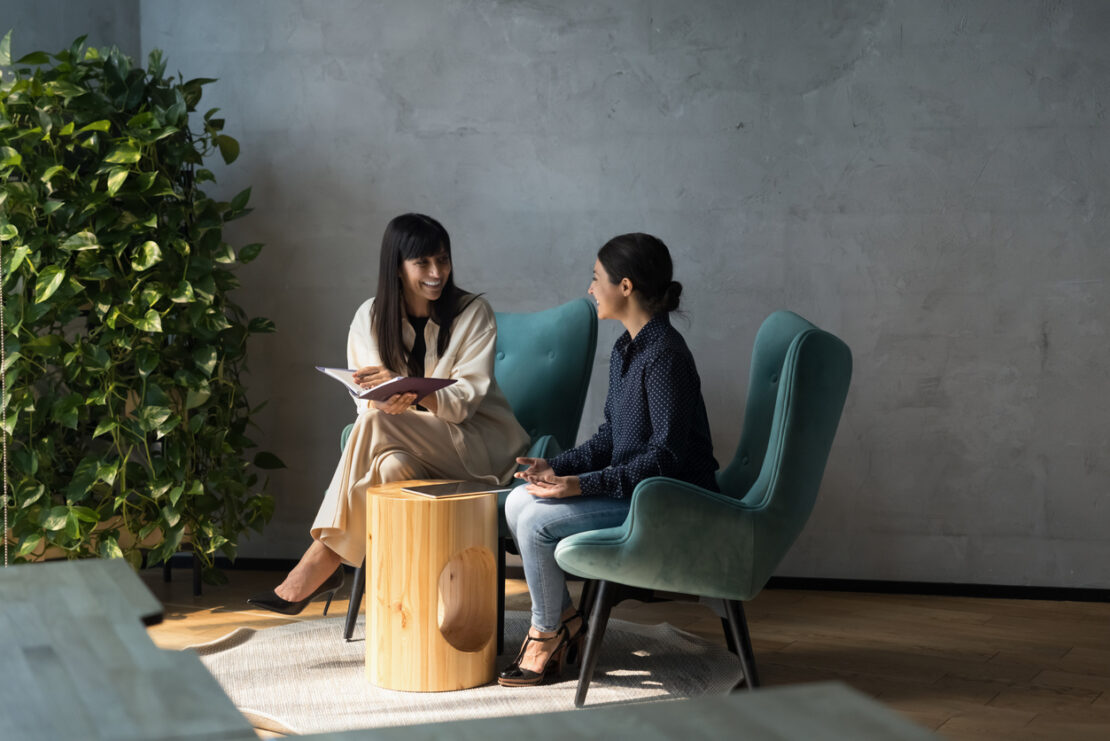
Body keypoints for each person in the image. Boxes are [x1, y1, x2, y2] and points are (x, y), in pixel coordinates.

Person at [248, 213, 530, 614]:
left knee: (377, 424)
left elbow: (465, 402)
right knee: (391, 466)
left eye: (443, 260)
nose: (437, 273)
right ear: (397, 266)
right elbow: (365, 399)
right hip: (407, 447)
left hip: (481, 450)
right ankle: (409, 607)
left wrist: (408, 391)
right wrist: (381, 398)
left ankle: (321, 560)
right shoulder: (369, 316)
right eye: (423, 263)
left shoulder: (473, 312)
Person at [499, 233, 719, 687]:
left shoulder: (664, 356)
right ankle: (564, 621)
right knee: (519, 500)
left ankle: (547, 632)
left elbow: (667, 458)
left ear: (625, 286)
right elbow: (611, 438)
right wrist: (558, 468)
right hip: (637, 490)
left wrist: (581, 486)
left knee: (537, 521)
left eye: (595, 278)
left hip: (667, 501)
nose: (589, 288)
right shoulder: (626, 348)